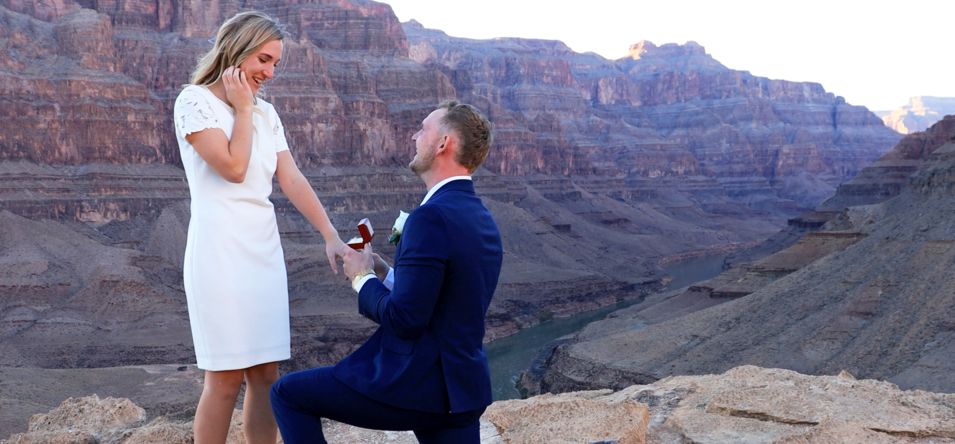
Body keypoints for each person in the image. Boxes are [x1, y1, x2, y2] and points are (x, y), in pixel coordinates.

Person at [270, 101, 502, 443]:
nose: (414, 136)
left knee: (288, 394)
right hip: (463, 391)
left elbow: (406, 319)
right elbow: (445, 295)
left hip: (417, 385)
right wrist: (384, 271)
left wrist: (361, 277)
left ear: (443, 144)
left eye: (423, 129)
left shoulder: (430, 218)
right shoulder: (481, 216)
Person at [172, 11, 347, 444]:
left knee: (266, 374)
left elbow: (291, 178)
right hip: (219, 253)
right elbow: (233, 167)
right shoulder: (194, 102)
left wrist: (330, 235)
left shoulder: (267, 114)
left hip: (263, 252)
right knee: (225, 376)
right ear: (237, 49)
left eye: (275, 64)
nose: (269, 72)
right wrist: (245, 109)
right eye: (264, 60)